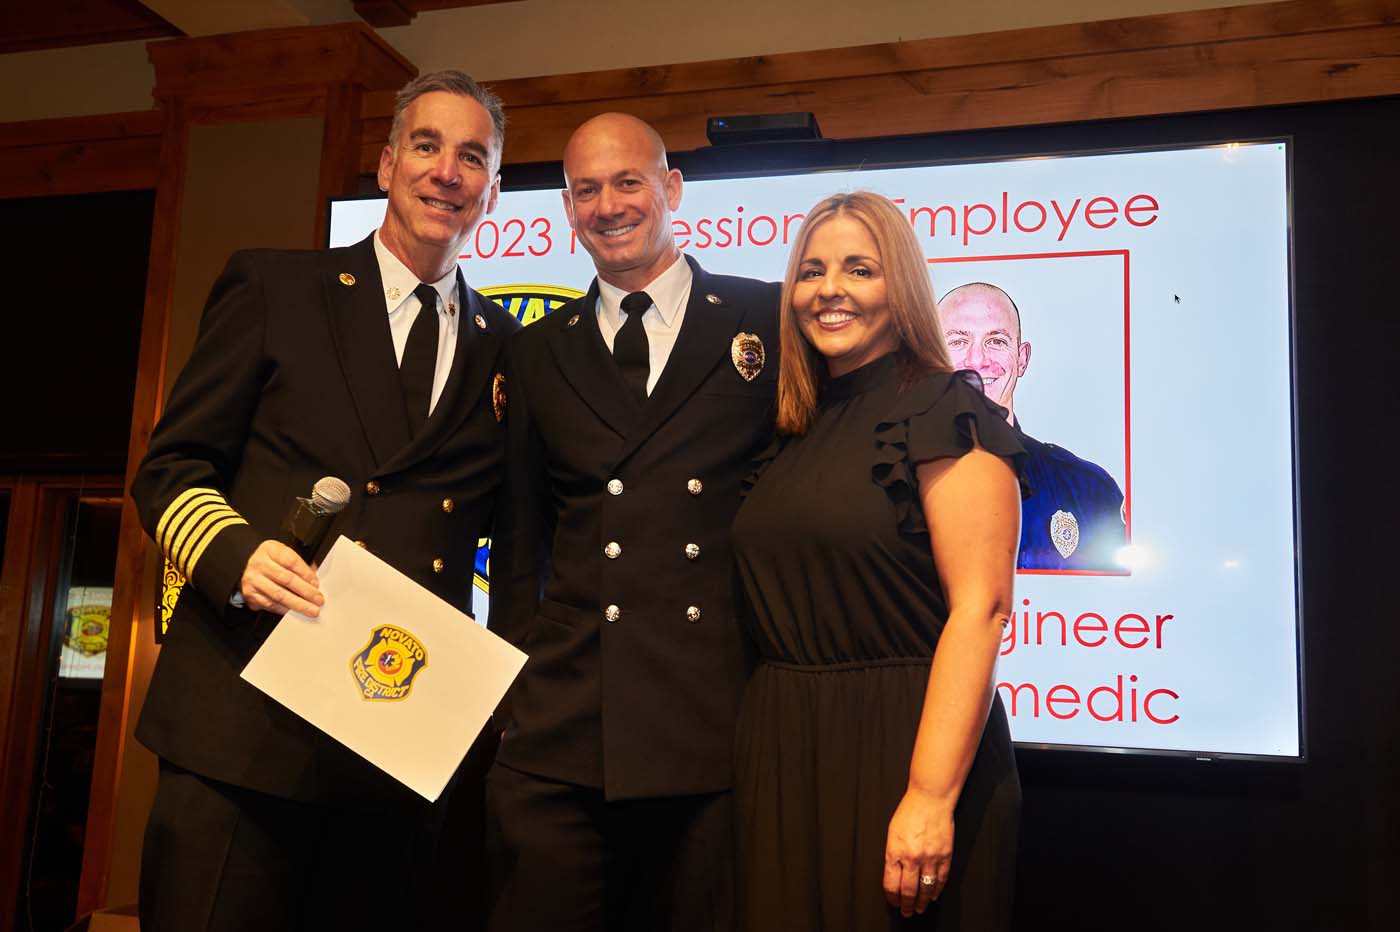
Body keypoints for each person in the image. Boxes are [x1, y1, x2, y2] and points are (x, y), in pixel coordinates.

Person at [131, 71, 518, 932]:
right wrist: (234, 555)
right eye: (426, 146)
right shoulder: (276, 289)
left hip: (392, 742)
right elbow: (171, 467)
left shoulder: (505, 347)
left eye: (471, 158)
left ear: (491, 195)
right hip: (245, 721)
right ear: (385, 165)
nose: (446, 172)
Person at [486, 112, 780, 931]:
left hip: (710, 723)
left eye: (628, 182)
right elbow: (521, 543)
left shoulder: (768, 321)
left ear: (671, 188)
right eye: (587, 189)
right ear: (568, 207)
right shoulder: (536, 351)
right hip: (563, 728)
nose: (609, 205)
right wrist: (512, 701)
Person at [731, 191, 1024, 931]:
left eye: (859, 269)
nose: (830, 289)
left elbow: (981, 610)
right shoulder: (790, 428)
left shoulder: (944, 408)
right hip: (784, 750)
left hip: (903, 750)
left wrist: (929, 796)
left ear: (901, 287)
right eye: (812, 270)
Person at [939, 282, 1126, 571]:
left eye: (996, 341)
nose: (977, 360)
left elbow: (1117, 609)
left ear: (1022, 359)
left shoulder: (1088, 491)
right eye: (958, 342)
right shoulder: (874, 488)